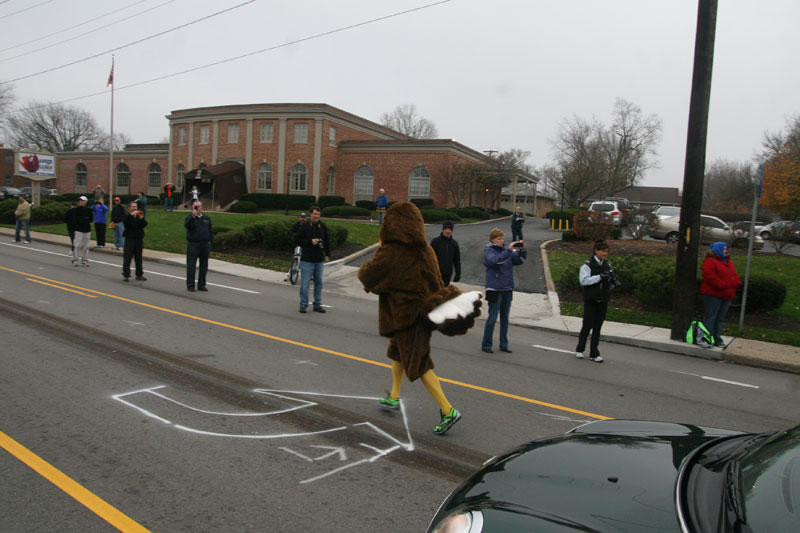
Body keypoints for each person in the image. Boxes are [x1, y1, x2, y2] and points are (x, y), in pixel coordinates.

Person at [358, 202, 481, 435]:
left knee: (419, 363)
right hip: (423, 313)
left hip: (405, 317)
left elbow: (367, 276)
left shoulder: (391, 250)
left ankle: (448, 410)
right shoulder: (426, 249)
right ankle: (394, 396)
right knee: (397, 352)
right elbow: (436, 281)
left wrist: (381, 248)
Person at [481, 228, 526, 353]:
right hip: (494, 289)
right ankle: (486, 344)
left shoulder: (507, 251)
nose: (501, 241)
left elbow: (519, 261)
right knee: (492, 318)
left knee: (505, 318)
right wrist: (509, 250)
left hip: (507, 288)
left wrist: (522, 250)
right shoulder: (489, 250)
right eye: (498, 239)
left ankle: (504, 344)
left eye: (502, 238)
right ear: (492, 240)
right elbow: (496, 261)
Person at [575, 240, 615, 363]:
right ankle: (580, 349)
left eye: (607, 252)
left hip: (603, 300)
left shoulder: (607, 265)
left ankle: (594, 353)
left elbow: (611, 278)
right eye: (603, 251)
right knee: (587, 325)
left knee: (598, 327)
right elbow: (584, 281)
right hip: (591, 299)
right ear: (596, 251)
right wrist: (599, 277)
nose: (605, 254)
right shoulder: (587, 266)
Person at [700, 242, 741, 348]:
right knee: (711, 317)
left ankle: (717, 339)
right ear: (717, 249)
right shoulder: (709, 262)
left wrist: (736, 283)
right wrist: (725, 285)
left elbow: (734, 275)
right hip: (713, 295)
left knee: (719, 319)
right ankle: (707, 339)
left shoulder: (728, 262)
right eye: (724, 249)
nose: (726, 251)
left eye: (726, 249)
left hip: (726, 295)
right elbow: (711, 279)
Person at [294, 206, 330, 313]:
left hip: (319, 260)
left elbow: (327, 241)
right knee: (305, 284)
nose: (316, 216)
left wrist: (327, 254)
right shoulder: (305, 226)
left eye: (318, 214)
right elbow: (297, 239)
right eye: (315, 214)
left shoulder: (322, 226)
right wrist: (310, 241)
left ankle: (317, 304)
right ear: (311, 215)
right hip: (307, 260)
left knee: (319, 283)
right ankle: (303, 304)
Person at [185, 200, 213, 292]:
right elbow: (188, 226)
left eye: (199, 206)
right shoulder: (189, 218)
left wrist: (210, 240)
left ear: (202, 207)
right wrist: (193, 216)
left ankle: (201, 284)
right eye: (195, 207)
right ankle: (191, 285)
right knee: (191, 265)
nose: (197, 208)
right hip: (193, 244)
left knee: (204, 265)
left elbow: (210, 230)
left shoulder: (206, 218)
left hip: (205, 244)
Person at [122, 201, 148, 282]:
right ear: (130, 208)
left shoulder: (138, 216)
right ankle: (126, 275)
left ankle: (139, 274)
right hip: (130, 239)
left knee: (138, 258)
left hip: (138, 239)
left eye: (136, 207)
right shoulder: (127, 216)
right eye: (133, 207)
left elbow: (144, 224)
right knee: (127, 257)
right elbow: (125, 222)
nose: (135, 208)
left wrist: (141, 218)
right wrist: (131, 215)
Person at [430, 221, 461, 286]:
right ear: (443, 230)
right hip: (436, 273)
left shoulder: (454, 244)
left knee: (444, 293)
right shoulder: (435, 242)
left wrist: (458, 273)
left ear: (452, 231)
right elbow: (429, 257)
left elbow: (457, 260)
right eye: (446, 229)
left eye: (449, 229)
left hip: (447, 274)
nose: (448, 231)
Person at [69, 196, 94, 266]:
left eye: (82, 200)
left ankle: (85, 260)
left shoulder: (89, 210)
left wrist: (83, 219)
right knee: (77, 245)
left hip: (87, 230)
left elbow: (91, 219)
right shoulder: (76, 210)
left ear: (86, 201)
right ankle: (75, 260)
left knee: (86, 245)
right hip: (78, 229)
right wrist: (84, 219)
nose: (81, 202)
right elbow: (76, 218)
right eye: (80, 200)